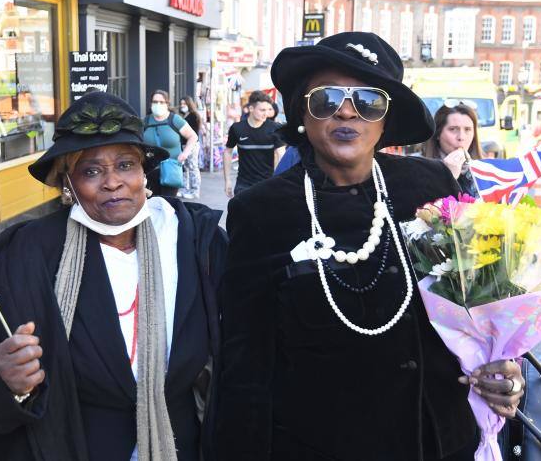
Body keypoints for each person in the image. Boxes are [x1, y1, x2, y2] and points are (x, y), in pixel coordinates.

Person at [214, 32, 525, 461]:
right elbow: (244, 364)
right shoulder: (261, 212)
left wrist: (504, 368)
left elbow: (482, 307)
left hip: (440, 440)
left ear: (385, 121)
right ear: (304, 113)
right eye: (326, 99)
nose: (346, 110)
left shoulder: (432, 185)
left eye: (368, 101)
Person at [0, 92, 227, 461]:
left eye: (125, 165)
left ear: (144, 173)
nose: (112, 182)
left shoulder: (194, 241)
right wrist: (4, 380)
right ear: (67, 184)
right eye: (91, 171)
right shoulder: (28, 254)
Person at [222, 92, 286, 197]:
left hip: (268, 184)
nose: (266, 114)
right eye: (262, 110)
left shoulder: (275, 129)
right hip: (243, 184)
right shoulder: (237, 128)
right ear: (251, 108)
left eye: (268, 110)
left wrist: (279, 181)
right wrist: (227, 180)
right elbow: (228, 152)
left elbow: (281, 156)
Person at [143, 90, 198, 197]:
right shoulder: (146, 121)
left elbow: (193, 136)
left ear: (167, 104)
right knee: (152, 205)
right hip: (150, 171)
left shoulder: (174, 120)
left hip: (171, 169)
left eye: (161, 102)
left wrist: (185, 153)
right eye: (155, 102)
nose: (158, 104)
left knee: (168, 204)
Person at [422, 103, 484, 198]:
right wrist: (448, 177)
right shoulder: (419, 168)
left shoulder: (484, 170)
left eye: (467, 129)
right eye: (453, 129)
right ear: (438, 133)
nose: (461, 137)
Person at [178, 96, 202, 199]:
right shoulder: (182, 115)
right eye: (181, 104)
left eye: (184, 104)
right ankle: (185, 188)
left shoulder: (194, 116)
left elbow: (194, 133)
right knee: (185, 167)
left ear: (189, 104)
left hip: (192, 144)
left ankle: (195, 190)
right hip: (183, 144)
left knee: (192, 167)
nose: (183, 106)